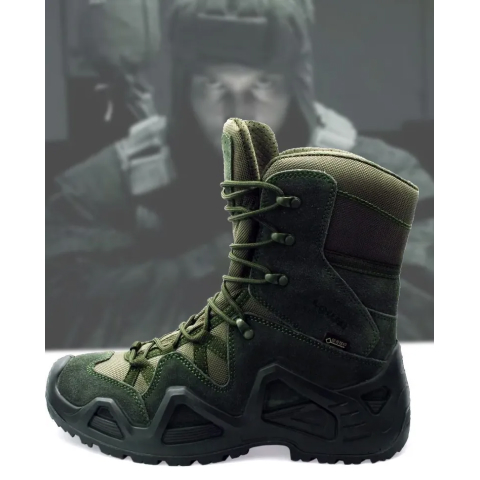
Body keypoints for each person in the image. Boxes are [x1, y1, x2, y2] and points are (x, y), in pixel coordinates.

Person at [46, 0, 433, 348]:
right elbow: (62, 319)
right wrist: (239, 261)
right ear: (184, 90)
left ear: (294, 88)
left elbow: (426, 312)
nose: (239, 110)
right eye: (214, 84)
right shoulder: (107, 187)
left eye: (263, 84)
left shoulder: (379, 181)